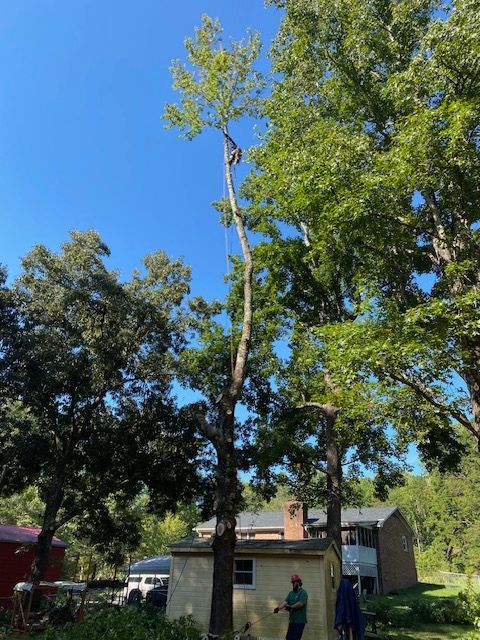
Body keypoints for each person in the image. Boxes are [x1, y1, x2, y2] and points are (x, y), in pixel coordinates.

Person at [273, 574, 308, 640]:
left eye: (293, 582)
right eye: (292, 582)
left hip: (299, 621)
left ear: (298, 582)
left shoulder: (303, 593)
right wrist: (278, 608)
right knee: (288, 638)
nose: (292, 584)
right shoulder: (291, 593)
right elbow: (285, 602)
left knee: (294, 638)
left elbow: (301, 603)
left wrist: (291, 607)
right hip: (292, 620)